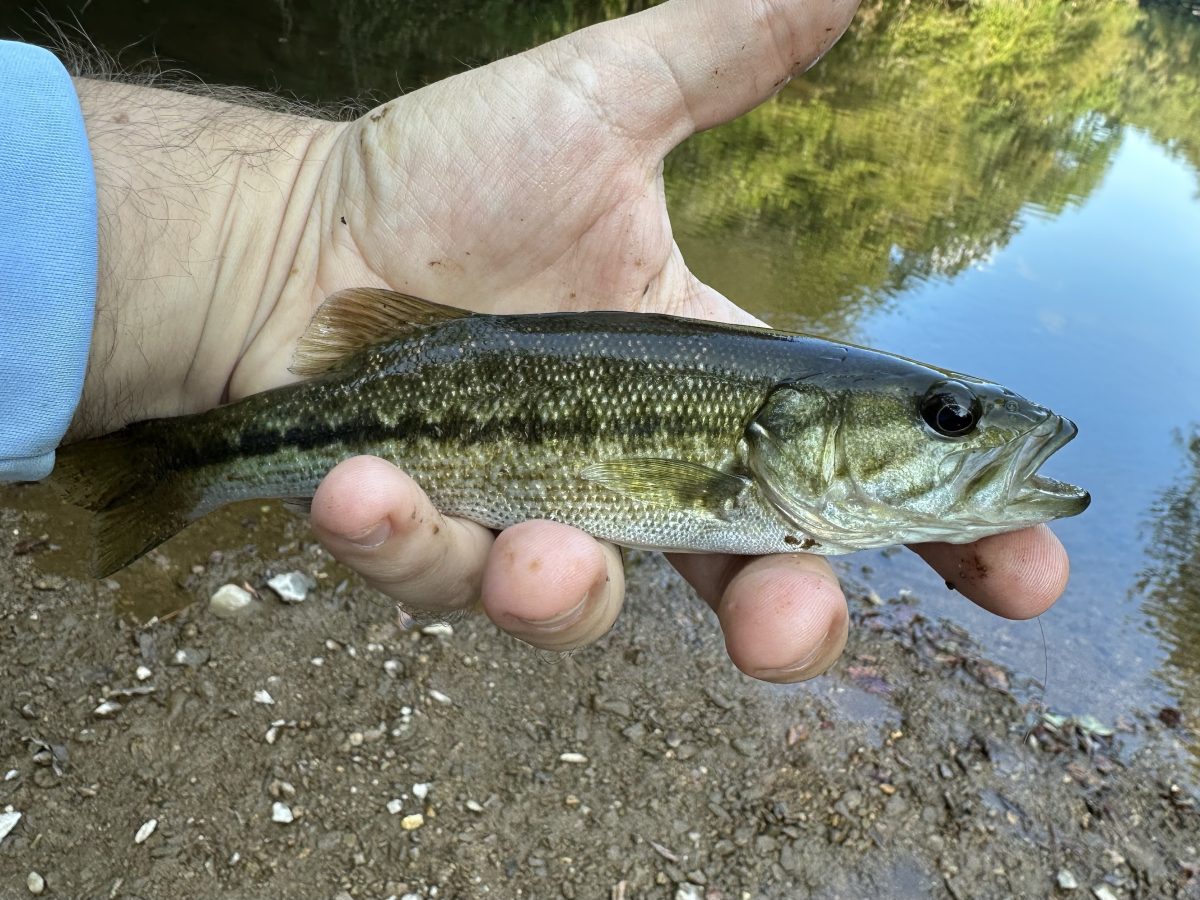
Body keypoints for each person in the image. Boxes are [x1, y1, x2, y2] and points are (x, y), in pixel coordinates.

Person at [0, 0, 1070, 683]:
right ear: (793, 426)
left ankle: (164, 469)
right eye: (948, 418)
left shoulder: (769, 463)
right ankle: (171, 468)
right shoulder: (749, 454)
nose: (964, 427)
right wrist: (282, 229)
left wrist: (266, 235)